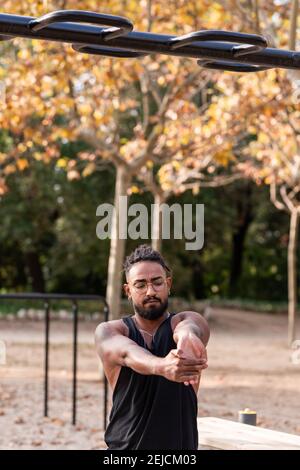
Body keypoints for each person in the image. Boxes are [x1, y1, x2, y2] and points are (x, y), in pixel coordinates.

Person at [95, 244, 210, 450]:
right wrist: (163, 366)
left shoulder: (188, 320)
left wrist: (186, 336)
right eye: (140, 284)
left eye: (157, 282)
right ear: (128, 290)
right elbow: (128, 353)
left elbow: (190, 327)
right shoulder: (110, 331)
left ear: (168, 284)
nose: (150, 291)